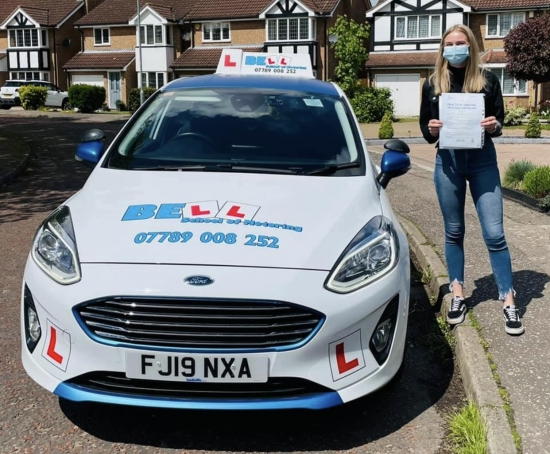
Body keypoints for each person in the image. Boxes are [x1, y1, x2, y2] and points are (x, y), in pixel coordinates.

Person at [419, 24, 524, 336]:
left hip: (482, 162)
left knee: (494, 234)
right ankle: (458, 293)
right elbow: (426, 129)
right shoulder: (432, 84)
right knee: (454, 231)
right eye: (449, 43)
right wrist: (433, 129)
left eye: (460, 42)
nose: (455, 48)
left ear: (471, 46)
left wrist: (494, 126)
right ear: (443, 48)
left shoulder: (487, 80)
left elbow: (499, 122)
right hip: (448, 163)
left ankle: (508, 297)